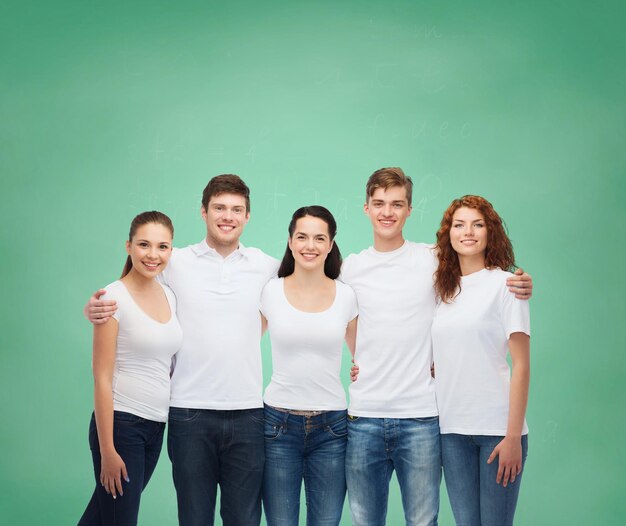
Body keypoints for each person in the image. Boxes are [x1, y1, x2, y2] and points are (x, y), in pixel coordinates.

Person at [342, 168, 533, 526]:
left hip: (423, 416)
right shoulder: (350, 267)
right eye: (379, 203)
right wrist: (359, 356)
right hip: (378, 416)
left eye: (397, 203)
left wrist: (521, 280)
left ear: (409, 210)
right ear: (365, 208)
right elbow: (327, 303)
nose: (387, 211)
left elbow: (481, 277)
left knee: (424, 520)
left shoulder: (434, 261)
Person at [85, 175, 279, 526]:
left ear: (248, 216)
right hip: (189, 414)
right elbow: (132, 288)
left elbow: (307, 289)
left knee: (245, 519)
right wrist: (95, 309)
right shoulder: (175, 261)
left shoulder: (266, 265)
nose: (227, 216)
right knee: (193, 518)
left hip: (248, 412)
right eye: (219, 207)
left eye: (237, 209)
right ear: (203, 212)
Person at [78, 211, 182, 526]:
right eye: (144, 245)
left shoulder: (168, 294)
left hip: (155, 426)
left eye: (162, 246)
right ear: (129, 246)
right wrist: (107, 450)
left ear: (171, 251)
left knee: (102, 517)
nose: (153, 254)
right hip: (122, 427)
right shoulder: (113, 298)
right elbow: (101, 377)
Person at [431, 196, 530, 526]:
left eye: (478, 224)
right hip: (451, 431)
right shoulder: (442, 291)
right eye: (459, 225)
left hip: (497, 431)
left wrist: (513, 436)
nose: (468, 232)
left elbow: (522, 365)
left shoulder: (507, 285)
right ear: (449, 234)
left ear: (491, 232)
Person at [260, 206, 358, 526]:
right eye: (302, 237)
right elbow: (241, 346)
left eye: (319, 238)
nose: (309, 245)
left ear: (330, 245)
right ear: (290, 242)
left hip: (332, 428)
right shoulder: (270, 291)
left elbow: (365, 356)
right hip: (277, 425)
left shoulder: (346, 296)